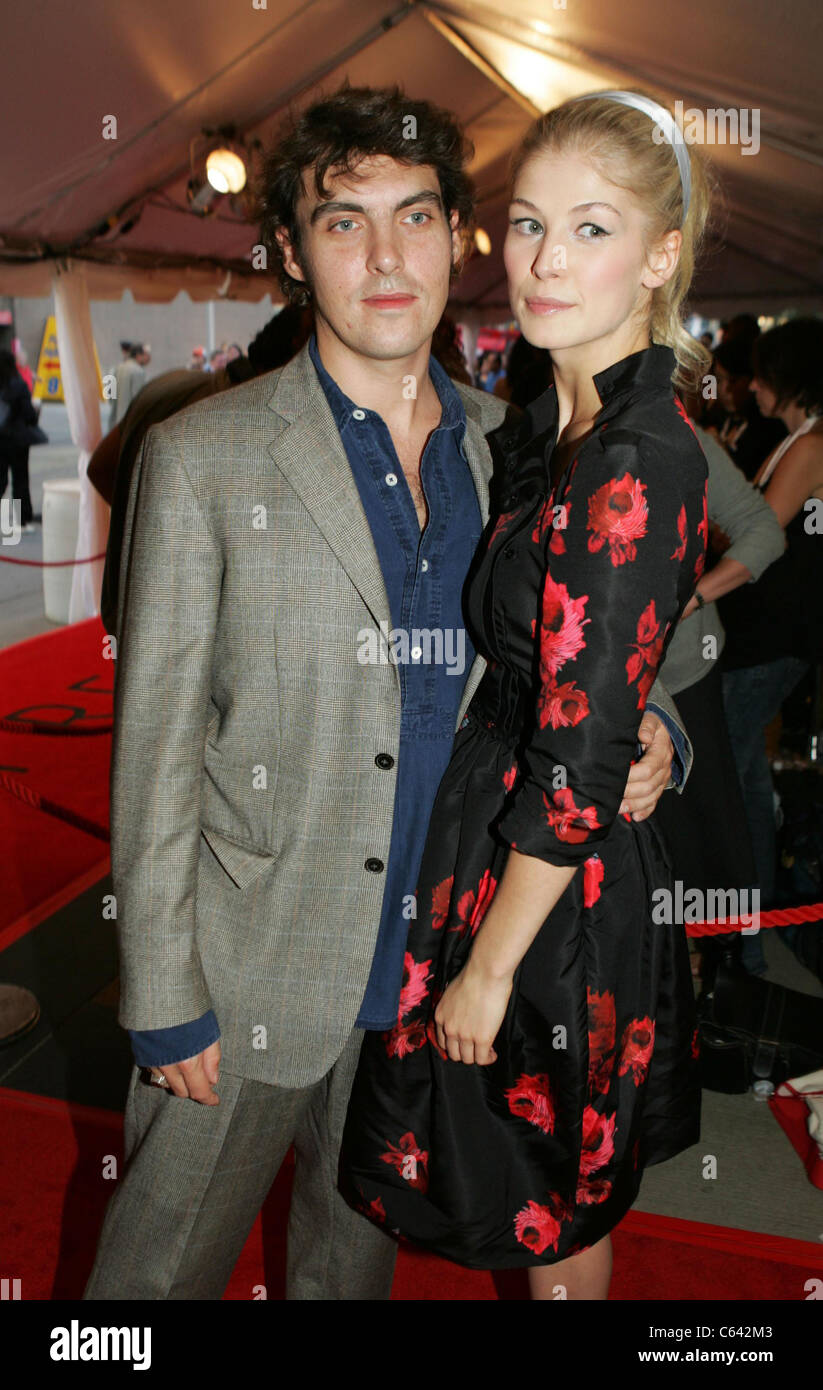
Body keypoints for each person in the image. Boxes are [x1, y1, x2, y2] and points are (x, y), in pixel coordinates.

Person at [83, 85, 690, 1303]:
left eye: (414, 216)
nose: (384, 255)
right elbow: (151, 742)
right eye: (341, 221)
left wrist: (658, 729)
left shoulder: (510, 441)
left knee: (345, 1277)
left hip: (431, 965)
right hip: (248, 972)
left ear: (459, 234)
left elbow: (648, 621)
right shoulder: (203, 456)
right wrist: (162, 995)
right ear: (296, 251)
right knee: (147, 1288)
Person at [339, 89, 712, 1300]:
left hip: (552, 899)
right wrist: (640, 720)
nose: (546, 261)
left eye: (591, 229)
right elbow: (611, 662)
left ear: (661, 257)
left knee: (548, 1207)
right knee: (546, 1199)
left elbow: (579, 741)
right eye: (528, 225)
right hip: (515, 864)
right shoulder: (554, 427)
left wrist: (490, 967)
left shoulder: (633, 454)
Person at [653, 420, 785, 985]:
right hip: (593, 677)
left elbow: (764, 530)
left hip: (683, 672)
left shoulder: (682, 436)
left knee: (697, 836)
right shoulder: (545, 428)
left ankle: (710, 988)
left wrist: (694, 595)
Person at [719, 316, 823, 967]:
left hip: (775, 633)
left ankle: (747, 928)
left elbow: (759, 533)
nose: (751, 386)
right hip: (770, 632)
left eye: (761, 374)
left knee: (732, 768)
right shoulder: (797, 441)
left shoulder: (809, 446)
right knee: (740, 769)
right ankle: (748, 923)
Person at [0, 347, 40, 531]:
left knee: (1, 480)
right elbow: (29, 414)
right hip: (17, 440)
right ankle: (20, 521)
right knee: (20, 480)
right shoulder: (18, 385)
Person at [108, 342, 150, 428]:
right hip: (129, 423)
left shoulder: (117, 368)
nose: (147, 358)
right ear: (138, 355)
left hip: (115, 423)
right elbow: (138, 398)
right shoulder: (138, 371)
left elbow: (110, 396)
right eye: (145, 355)